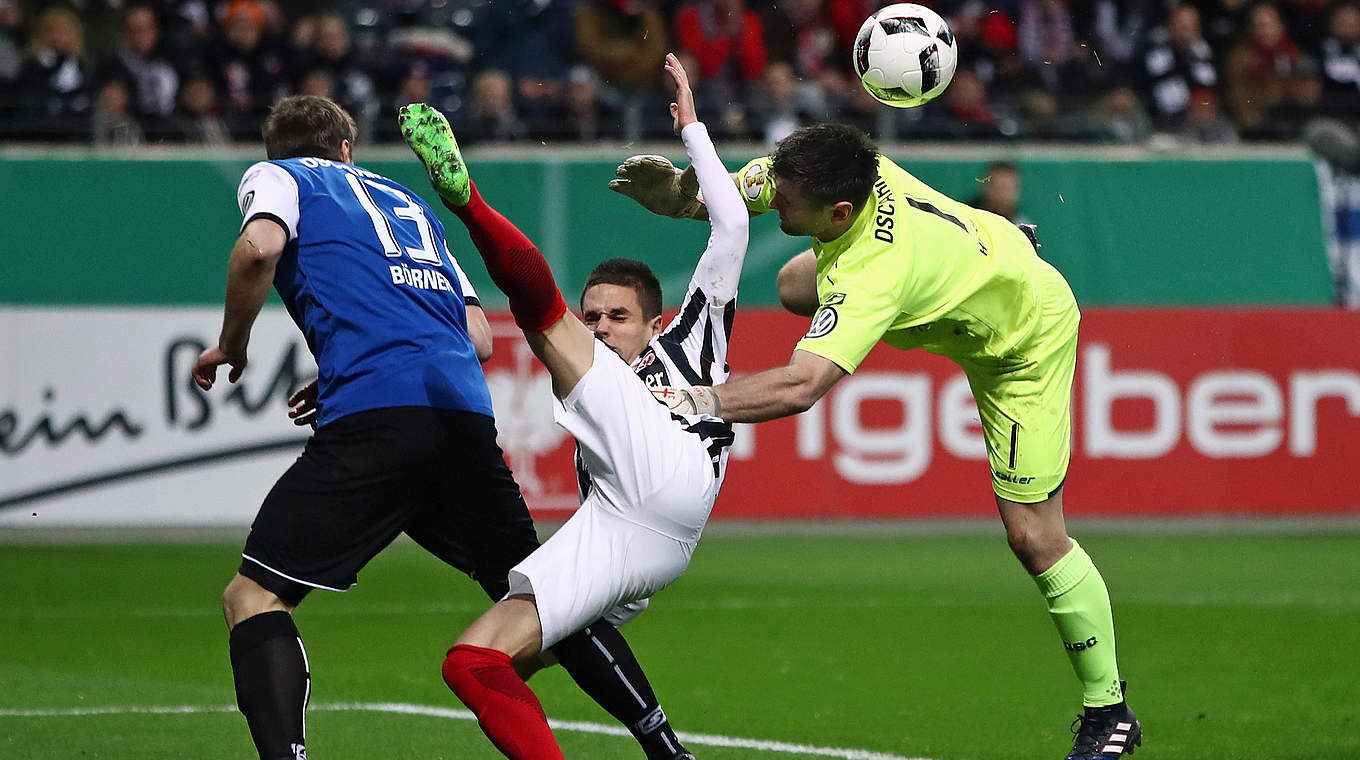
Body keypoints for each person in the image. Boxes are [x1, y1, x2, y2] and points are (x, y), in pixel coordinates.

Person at [191, 93, 699, 760]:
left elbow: (258, 248)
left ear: (277, 153)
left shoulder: (283, 177)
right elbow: (480, 336)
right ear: (348, 149)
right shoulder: (413, 210)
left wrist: (232, 343)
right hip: (459, 417)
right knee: (546, 592)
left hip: (377, 418)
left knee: (254, 596)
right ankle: (665, 748)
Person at [612, 124, 1143, 760]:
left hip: (1022, 344)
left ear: (839, 210)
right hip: (961, 253)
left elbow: (803, 386)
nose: (775, 202)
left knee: (1034, 536)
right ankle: (996, 253)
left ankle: (1109, 711)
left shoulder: (870, 277)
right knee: (790, 286)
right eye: (777, 186)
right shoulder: (848, 169)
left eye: (788, 200)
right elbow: (729, 196)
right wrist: (680, 195)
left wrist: (692, 401)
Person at [396, 51, 745, 758]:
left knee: (541, 317)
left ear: (655, 324)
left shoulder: (690, 340)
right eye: (595, 317)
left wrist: (692, 129)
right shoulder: (605, 394)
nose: (602, 327)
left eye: (618, 316)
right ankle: (666, 748)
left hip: (666, 474)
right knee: (483, 661)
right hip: (641, 535)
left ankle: (467, 201)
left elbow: (732, 225)